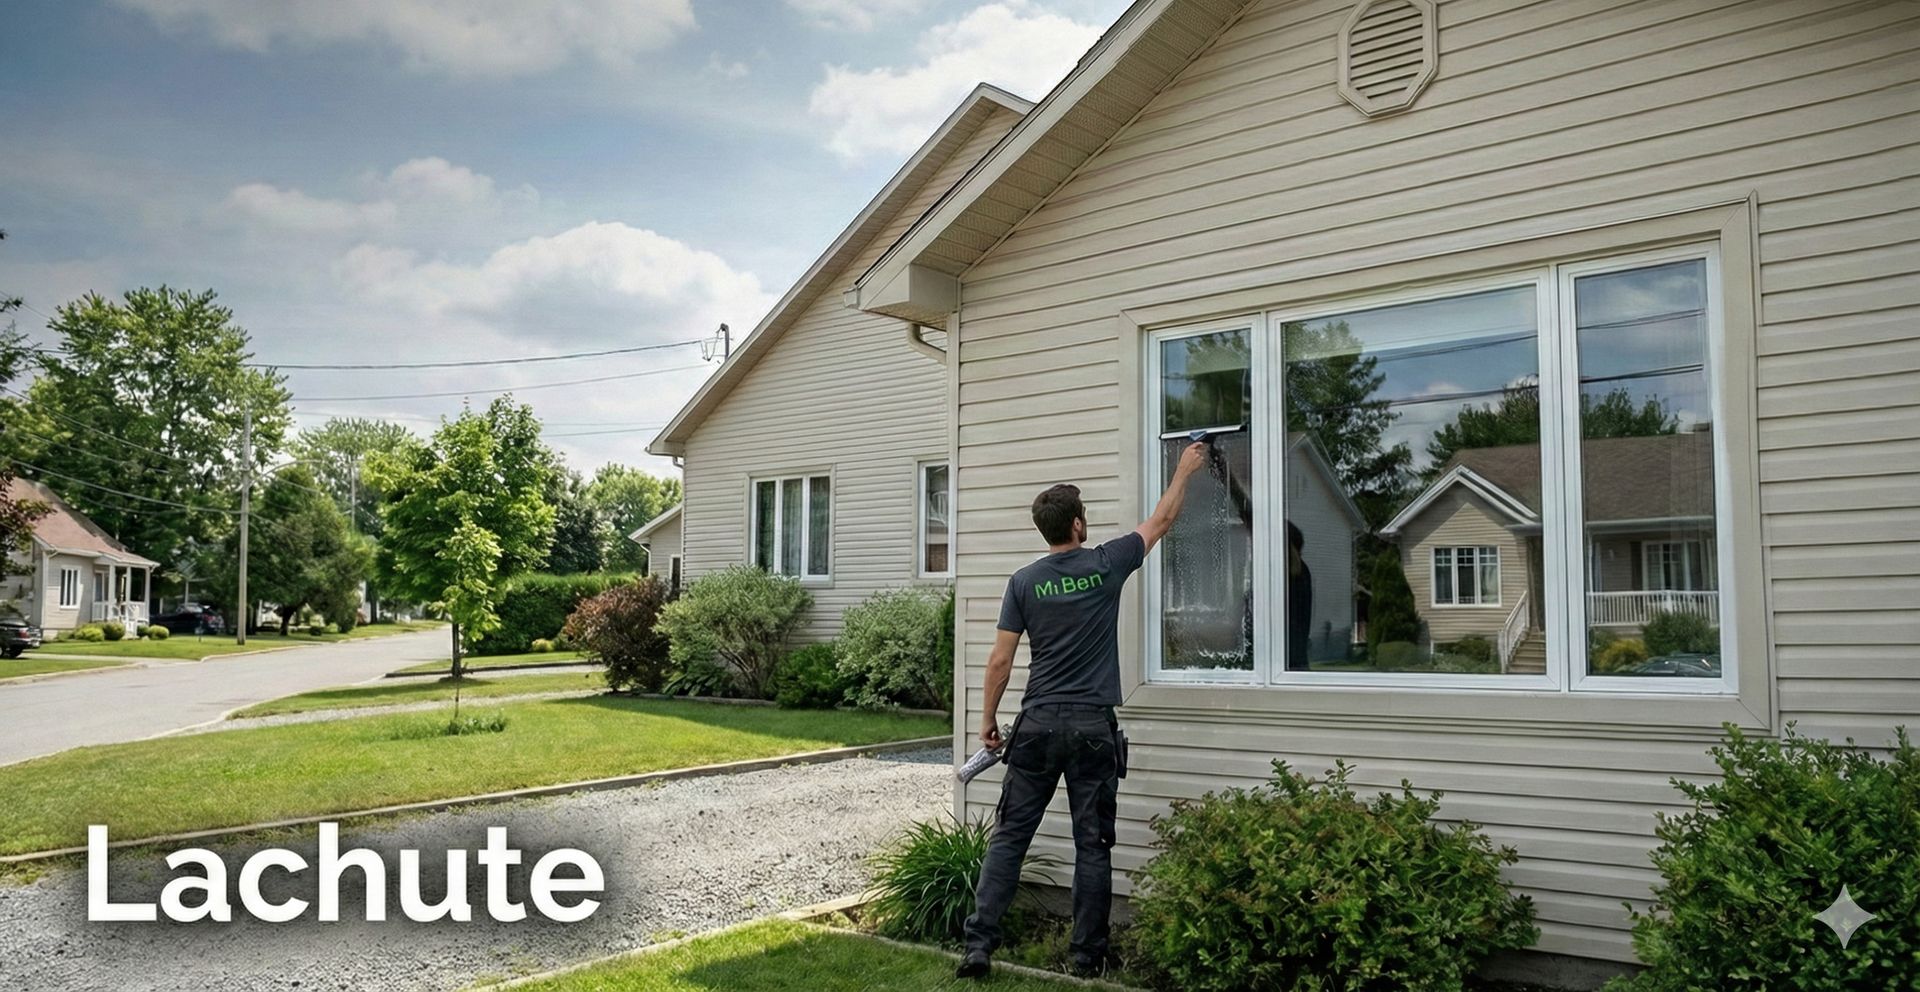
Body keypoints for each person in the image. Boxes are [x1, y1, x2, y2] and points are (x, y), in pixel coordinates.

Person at [957, 441, 1210, 980]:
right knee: (1091, 845)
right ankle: (1086, 959)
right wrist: (1185, 468)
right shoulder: (1105, 564)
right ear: (1075, 525)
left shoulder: (1023, 582)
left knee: (1009, 838)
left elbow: (1000, 661)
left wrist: (986, 723)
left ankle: (978, 947)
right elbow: (1163, 519)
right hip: (1094, 726)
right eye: (1084, 516)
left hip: (1039, 725)